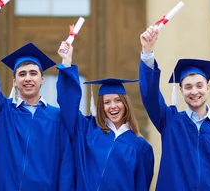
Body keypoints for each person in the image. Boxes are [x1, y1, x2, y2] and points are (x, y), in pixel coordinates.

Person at [0, 8, 74, 190]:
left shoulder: (57, 118)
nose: (28, 78)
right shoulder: (3, 111)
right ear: (14, 81)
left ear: (42, 79)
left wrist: (66, 62)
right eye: (22, 74)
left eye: (33, 73)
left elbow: (65, 168)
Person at [138, 25, 210, 191]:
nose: (194, 91)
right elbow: (149, 96)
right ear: (181, 90)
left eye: (199, 86)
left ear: (207, 88)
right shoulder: (170, 122)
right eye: (188, 87)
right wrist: (147, 51)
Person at [56, 41, 154, 191]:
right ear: (101, 106)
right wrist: (66, 61)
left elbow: (141, 186)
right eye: (107, 102)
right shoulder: (87, 131)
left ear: (125, 104)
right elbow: (68, 104)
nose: (113, 106)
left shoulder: (141, 148)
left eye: (117, 101)